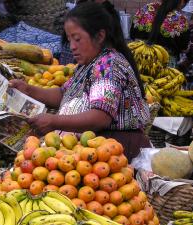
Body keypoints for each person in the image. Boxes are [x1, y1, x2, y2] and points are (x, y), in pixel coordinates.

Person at [10, 2, 151, 161]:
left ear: (100, 36)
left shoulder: (108, 65)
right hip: (91, 151)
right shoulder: (87, 64)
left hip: (114, 153)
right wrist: (27, 90)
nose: (72, 47)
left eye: (77, 39)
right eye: (69, 40)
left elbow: (100, 117)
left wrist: (54, 122)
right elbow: (64, 94)